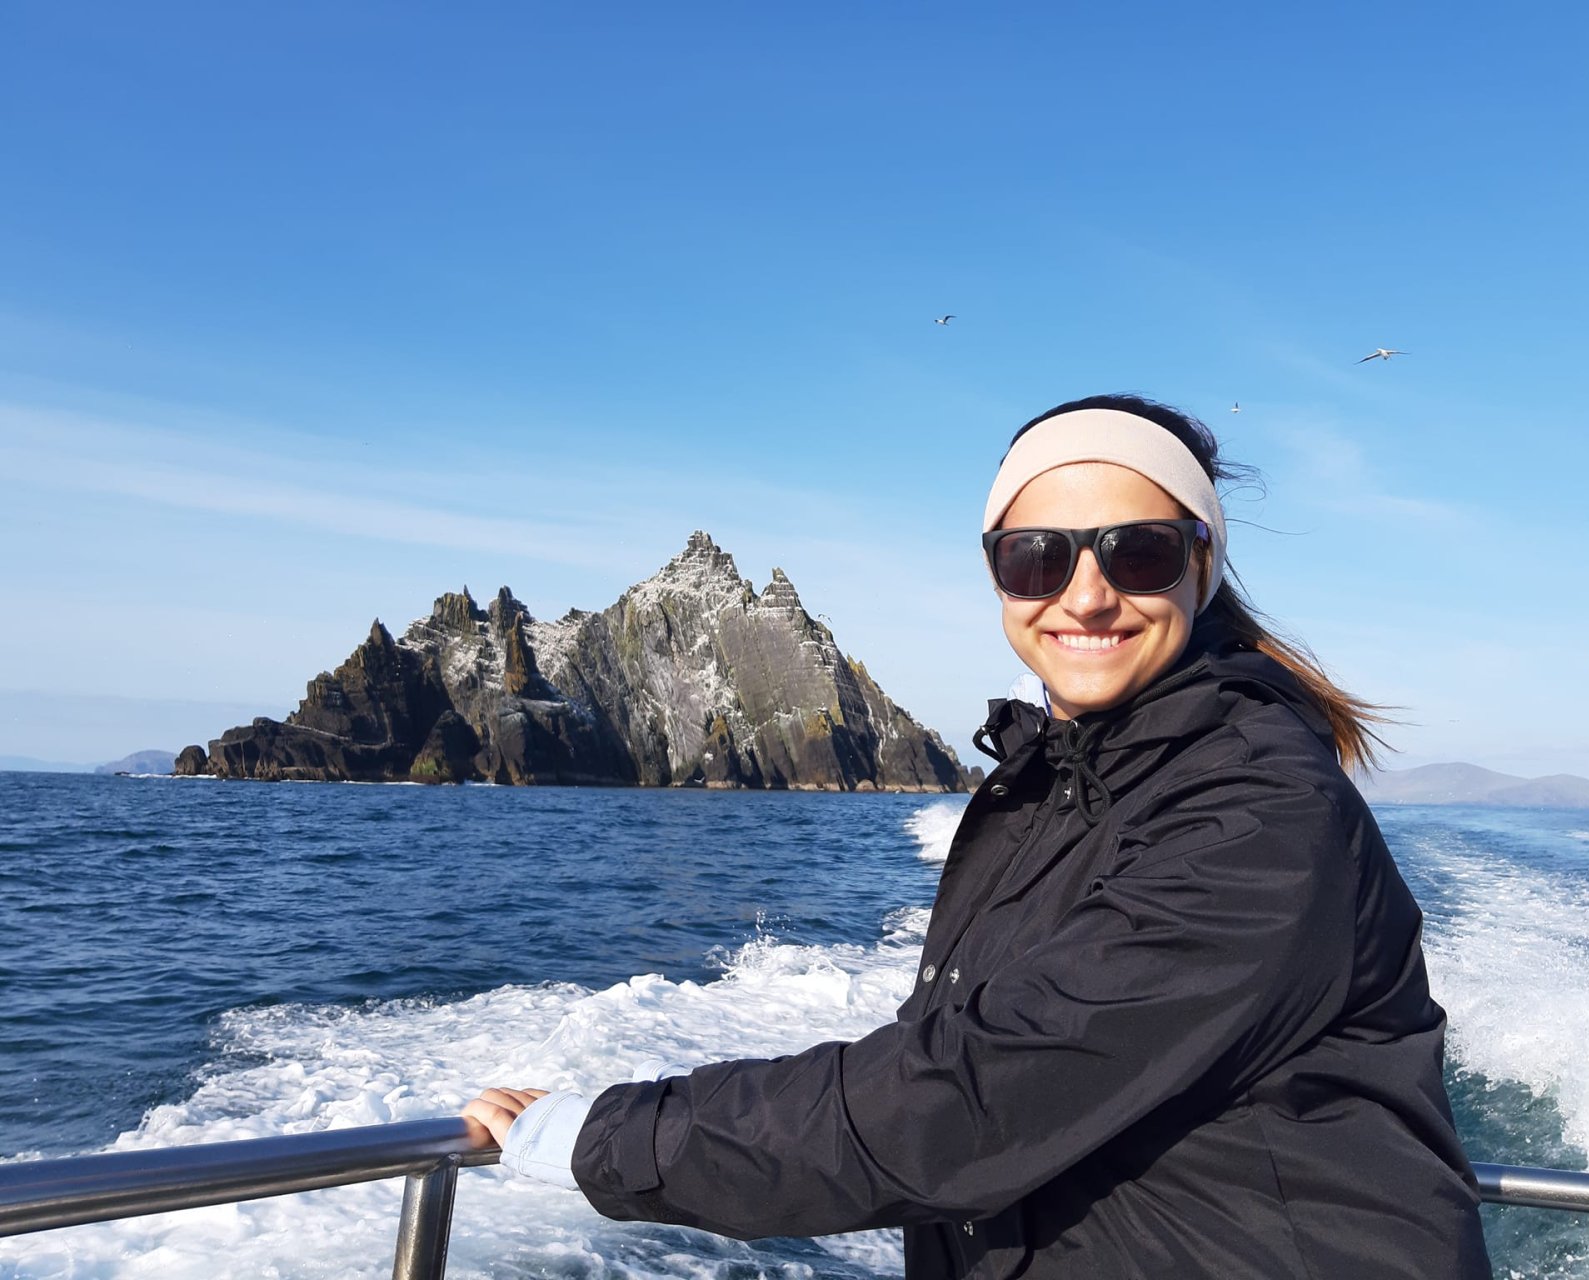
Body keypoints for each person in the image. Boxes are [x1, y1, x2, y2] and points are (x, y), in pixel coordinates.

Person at [465, 393, 1493, 1278]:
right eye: (1034, 556)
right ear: (996, 571)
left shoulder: (1256, 812)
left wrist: (613, 1136)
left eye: (1136, 550)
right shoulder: (1052, 781)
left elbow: (973, 1093)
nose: (1083, 593)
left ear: (1202, 564)